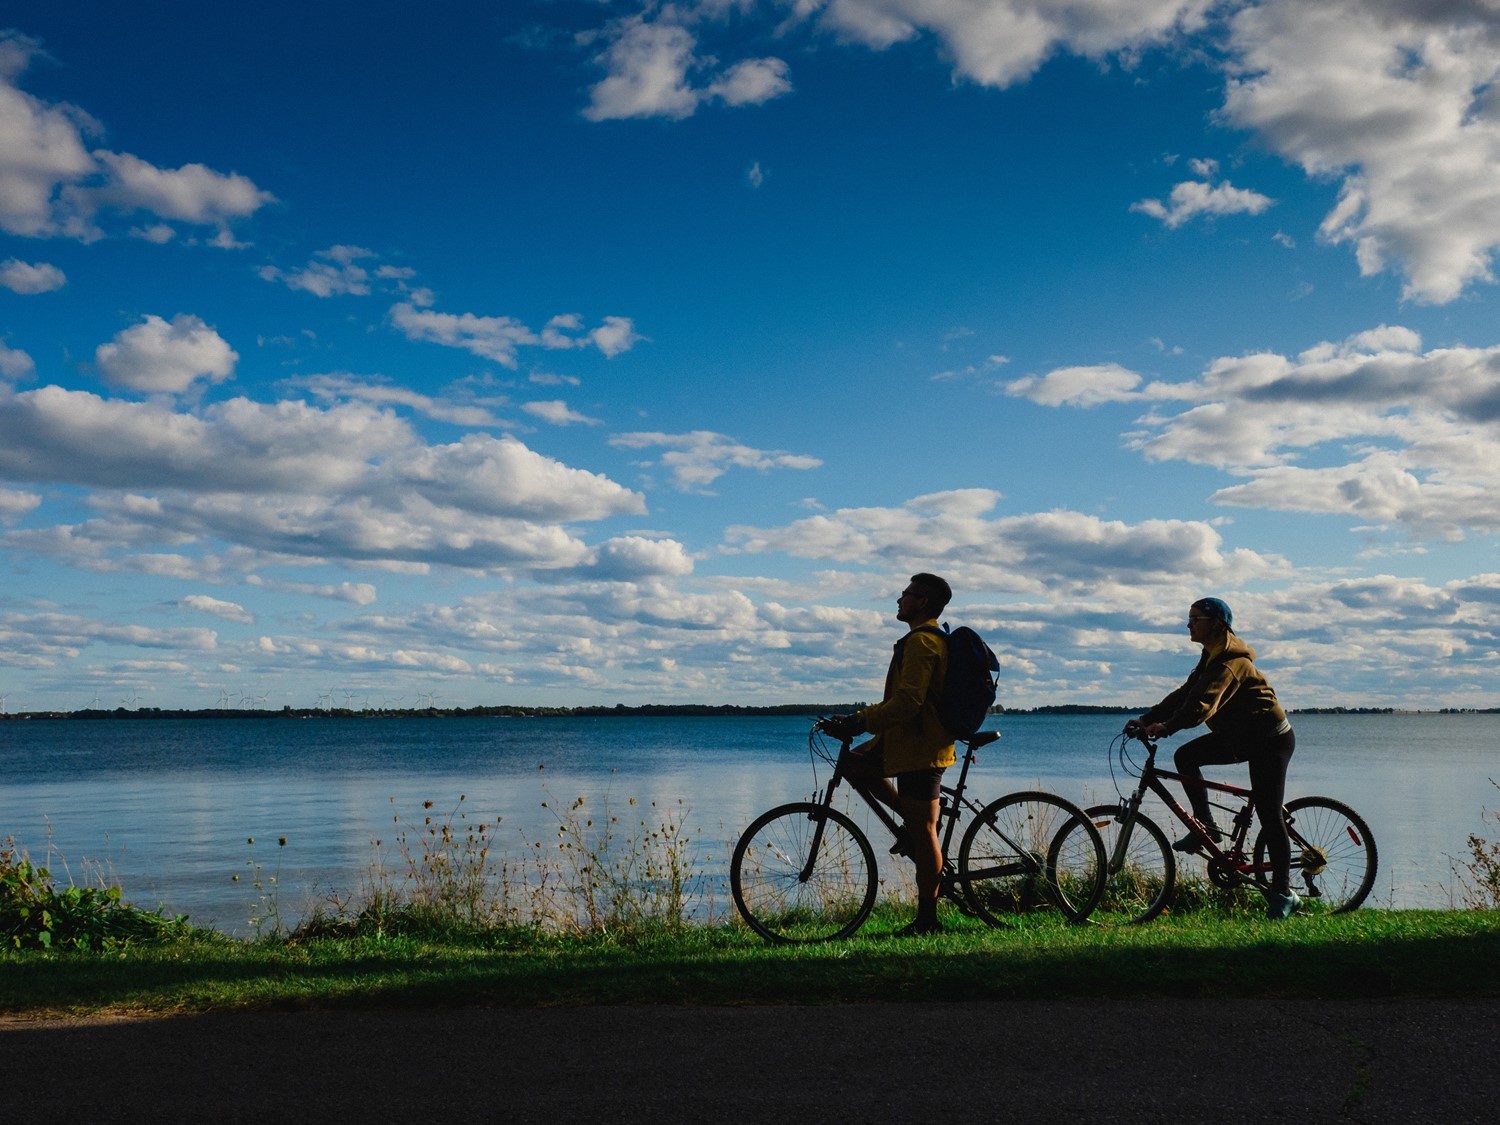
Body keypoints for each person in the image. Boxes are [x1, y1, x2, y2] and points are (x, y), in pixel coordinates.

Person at [1126, 597, 1299, 920]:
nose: (1188, 624)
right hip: (1240, 737)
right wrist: (1147, 717)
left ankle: (1283, 893)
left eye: (1195, 618)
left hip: (1270, 740)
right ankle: (1206, 824)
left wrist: (1167, 727)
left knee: (1268, 813)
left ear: (1216, 624)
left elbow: (1201, 706)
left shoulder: (1232, 664)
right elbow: (1184, 694)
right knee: (1186, 757)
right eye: (1188, 618)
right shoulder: (1210, 657)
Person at [820, 573, 956, 936]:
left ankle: (928, 920)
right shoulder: (920, 640)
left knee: (925, 831)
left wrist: (861, 720)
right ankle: (913, 826)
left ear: (922, 602)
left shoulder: (923, 642)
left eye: (906, 594)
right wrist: (859, 719)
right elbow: (902, 700)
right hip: (901, 743)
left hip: (920, 749)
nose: (899, 599)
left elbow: (909, 702)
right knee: (852, 764)